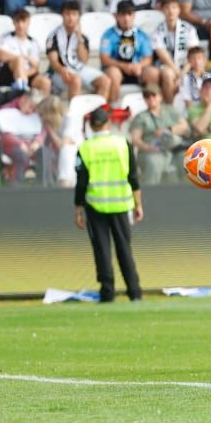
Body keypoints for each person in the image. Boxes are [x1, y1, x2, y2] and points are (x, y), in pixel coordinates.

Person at [74, 106, 144, 303]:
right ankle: (135, 292)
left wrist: (78, 208)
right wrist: (138, 204)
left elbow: (81, 182)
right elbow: (133, 177)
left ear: (91, 125)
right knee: (124, 249)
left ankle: (107, 293)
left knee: (102, 250)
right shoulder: (123, 143)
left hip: (95, 205)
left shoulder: (85, 147)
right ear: (109, 123)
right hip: (121, 204)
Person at [46, 2, 110, 99]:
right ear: (62, 15)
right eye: (67, 14)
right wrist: (62, 70)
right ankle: (74, 113)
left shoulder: (83, 37)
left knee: (105, 81)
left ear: (79, 16)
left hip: (79, 68)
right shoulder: (53, 36)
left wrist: (79, 38)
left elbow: (84, 60)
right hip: (59, 71)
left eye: (74, 14)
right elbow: (53, 62)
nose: (71, 18)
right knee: (76, 80)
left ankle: (98, 111)